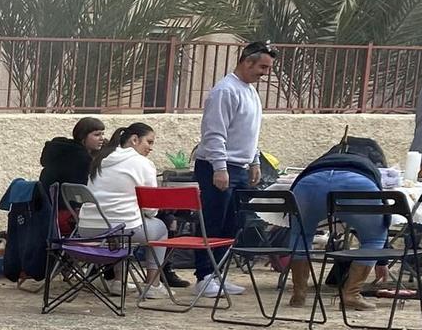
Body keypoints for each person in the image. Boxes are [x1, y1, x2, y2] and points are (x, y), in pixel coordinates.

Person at [192, 41, 277, 302]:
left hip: (240, 166)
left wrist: (254, 161)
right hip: (219, 167)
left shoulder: (250, 92)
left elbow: (250, 132)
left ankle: (218, 273)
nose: (264, 72)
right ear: (246, 61)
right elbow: (215, 133)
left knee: (231, 223)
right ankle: (204, 275)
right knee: (213, 220)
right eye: (262, 66)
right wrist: (219, 167)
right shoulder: (225, 91)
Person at [78, 122, 188, 295]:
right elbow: (151, 209)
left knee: (120, 230)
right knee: (159, 228)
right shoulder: (143, 163)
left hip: (87, 228)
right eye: (149, 142)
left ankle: (119, 281)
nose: (151, 148)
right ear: (135, 139)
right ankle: (153, 285)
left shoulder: (101, 160)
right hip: (122, 228)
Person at [284, 138, 388, 309]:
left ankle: (298, 293)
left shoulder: (327, 157)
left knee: (301, 234)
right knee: (373, 239)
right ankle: (351, 294)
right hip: (358, 183)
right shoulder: (367, 160)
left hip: (309, 182)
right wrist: (382, 260)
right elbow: (382, 216)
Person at [17, 118, 107, 292]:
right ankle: (109, 277)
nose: (102, 138)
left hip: (46, 216)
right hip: (64, 219)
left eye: (102, 134)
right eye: (97, 134)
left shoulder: (60, 153)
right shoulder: (81, 160)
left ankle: (94, 273)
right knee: (109, 224)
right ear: (83, 137)